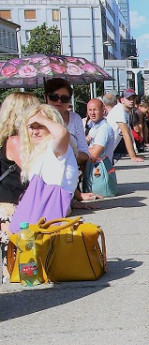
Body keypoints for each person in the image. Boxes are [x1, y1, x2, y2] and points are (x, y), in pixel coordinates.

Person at [0, 92, 39, 283]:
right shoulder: (15, 141)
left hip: (7, 203)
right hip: (10, 209)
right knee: (14, 262)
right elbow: (35, 173)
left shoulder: (5, 139)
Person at [18, 104, 79, 212]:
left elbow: (62, 133)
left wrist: (42, 119)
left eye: (40, 126)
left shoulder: (54, 147)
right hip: (47, 210)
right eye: (31, 127)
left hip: (50, 212)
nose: (35, 132)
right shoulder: (40, 150)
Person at [106, 88, 144, 162]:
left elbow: (129, 132)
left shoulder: (126, 112)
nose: (132, 101)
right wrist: (133, 157)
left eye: (133, 98)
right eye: (128, 98)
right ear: (122, 100)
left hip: (108, 151)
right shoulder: (120, 111)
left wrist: (135, 154)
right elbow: (125, 133)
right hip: (102, 151)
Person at [86, 98, 116, 164]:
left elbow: (94, 153)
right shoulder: (94, 127)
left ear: (103, 110)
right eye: (90, 110)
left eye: (95, 110)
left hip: (100, 171)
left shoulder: (104, 129)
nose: (92, 113)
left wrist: (75, 150)